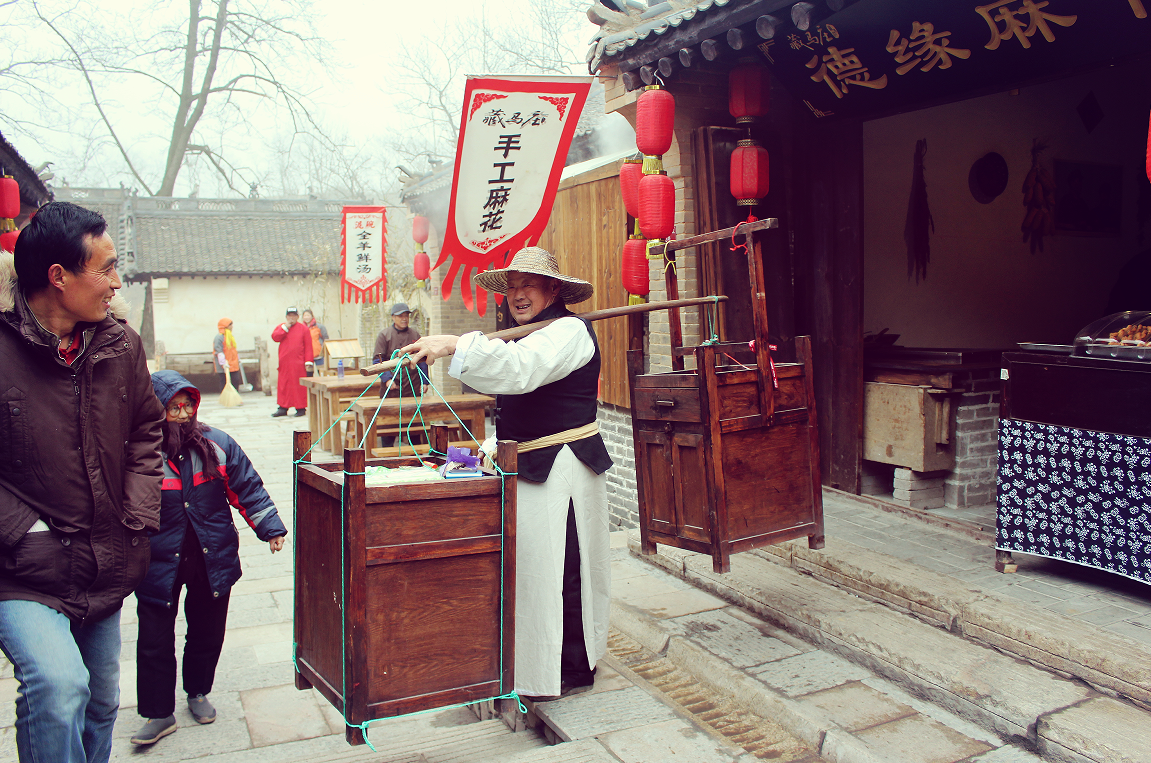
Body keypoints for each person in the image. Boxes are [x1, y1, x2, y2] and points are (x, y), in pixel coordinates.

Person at [399, 247, 611, 701]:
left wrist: (453, 343)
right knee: (533, 572)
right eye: (511, 286)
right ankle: (530, 663)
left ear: (553, 289)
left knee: (564, 568)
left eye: (527, 285)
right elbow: (516, 409)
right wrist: (478, 453)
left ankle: (569, 666)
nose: (517, 295)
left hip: (564, 470)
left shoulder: (569, 331)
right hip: (528, 465)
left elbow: (519, 372)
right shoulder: (526, 332)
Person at [0, 201, 165, 762]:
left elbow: (147, 430)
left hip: (104, 554)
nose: (117, 285)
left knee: (100, 700)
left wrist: (137, 516)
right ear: (59, 277)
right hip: (23, 567)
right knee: (58, 685)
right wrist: (26, 531)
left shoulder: (120, 345)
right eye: (107, 269)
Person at [131, 371, 288, 746]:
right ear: (156, 411)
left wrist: (271, 527)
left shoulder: (217, 444)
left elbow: (247, 486)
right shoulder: (140, 452)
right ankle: (158, 712)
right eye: (173, 407)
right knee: (154, 639)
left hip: (210, 557)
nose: (182, 414)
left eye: (187, 405)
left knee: (205, 632)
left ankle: (197, 692)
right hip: (157, 561)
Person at [373, 302, 428, 399]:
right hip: (392, 385)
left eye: (406, 316)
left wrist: (424, 381)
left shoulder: (415, 335)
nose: (404, 319)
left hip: (412, 385)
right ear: (393, 317)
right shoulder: (384, 335)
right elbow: (378, 361)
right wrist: (387, 379)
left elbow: (422, 360)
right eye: (400, 316)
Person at [271, 305, 310, 417]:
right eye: (289, 316)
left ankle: (301, 408)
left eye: (293, 316)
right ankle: (283, 407)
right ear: (286, 317)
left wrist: (308, 362)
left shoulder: (304, 329)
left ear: (297, 317)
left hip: (298, 364)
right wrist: (285, 328)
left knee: (298, 387)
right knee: (284, 386)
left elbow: (308, 347)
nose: (291, 318)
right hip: (284, 364)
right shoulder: (282, 327)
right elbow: (275, 337)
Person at [213, 317, 242, 389]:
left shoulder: (230, 337)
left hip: (233, 364)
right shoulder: (219, 337)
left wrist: (237, 358)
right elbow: (218, 351)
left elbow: (233, 349)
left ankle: (235, 398)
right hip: (224, 365)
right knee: (224, 382)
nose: (232, 327)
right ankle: (225, 398)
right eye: (230, 325)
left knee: (236, 380)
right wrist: (223, 363)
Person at [301, 309, 328, 377]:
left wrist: (323, 350)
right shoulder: (301, 328)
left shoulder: (319, 327)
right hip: (307, 356)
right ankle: (310, 388)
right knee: (309, 375)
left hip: (318, 354)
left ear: (312, 316)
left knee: (321, 373)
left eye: (308, 315)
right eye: (305, 315)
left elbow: (326, 339)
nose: (306, 317)